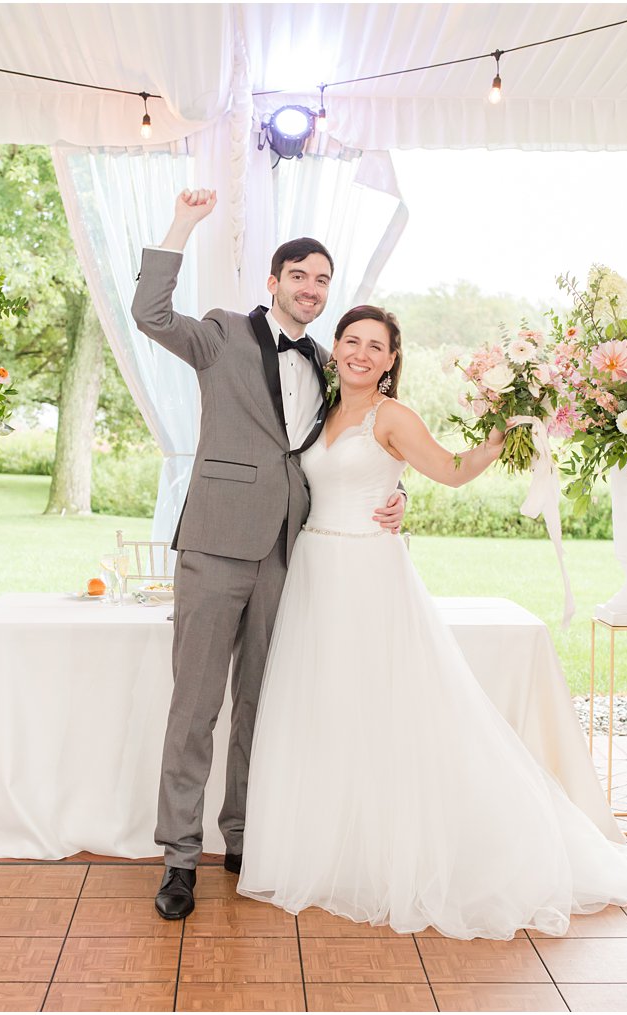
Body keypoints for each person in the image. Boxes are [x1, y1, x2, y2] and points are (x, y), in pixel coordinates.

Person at [236, 304, 627, 939]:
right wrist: (391, 495)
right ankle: (338, 848)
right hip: (316, 566)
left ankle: (404, 855)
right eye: (352, 341)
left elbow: (447, 470)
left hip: (368, 573)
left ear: (393, 359)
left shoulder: (391, 415)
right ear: (335, 347)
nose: (361, 353)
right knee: (328, 706)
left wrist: (501, 438)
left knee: (384, 707)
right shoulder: (324, 411)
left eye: (377, 346)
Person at [130, 189, 407, 920]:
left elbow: (352, 451)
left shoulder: (326, 360)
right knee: (195, 705)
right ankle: (179, 858)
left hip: (289, 553)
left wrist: (397, 494)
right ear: (274, 281)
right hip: (217, 544)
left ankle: (243, 838)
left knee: (260, 704)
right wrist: (182, 223)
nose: (311, 290)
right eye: (300, 276)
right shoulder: (221, 332)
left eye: (322, 281)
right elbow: (150, 316)